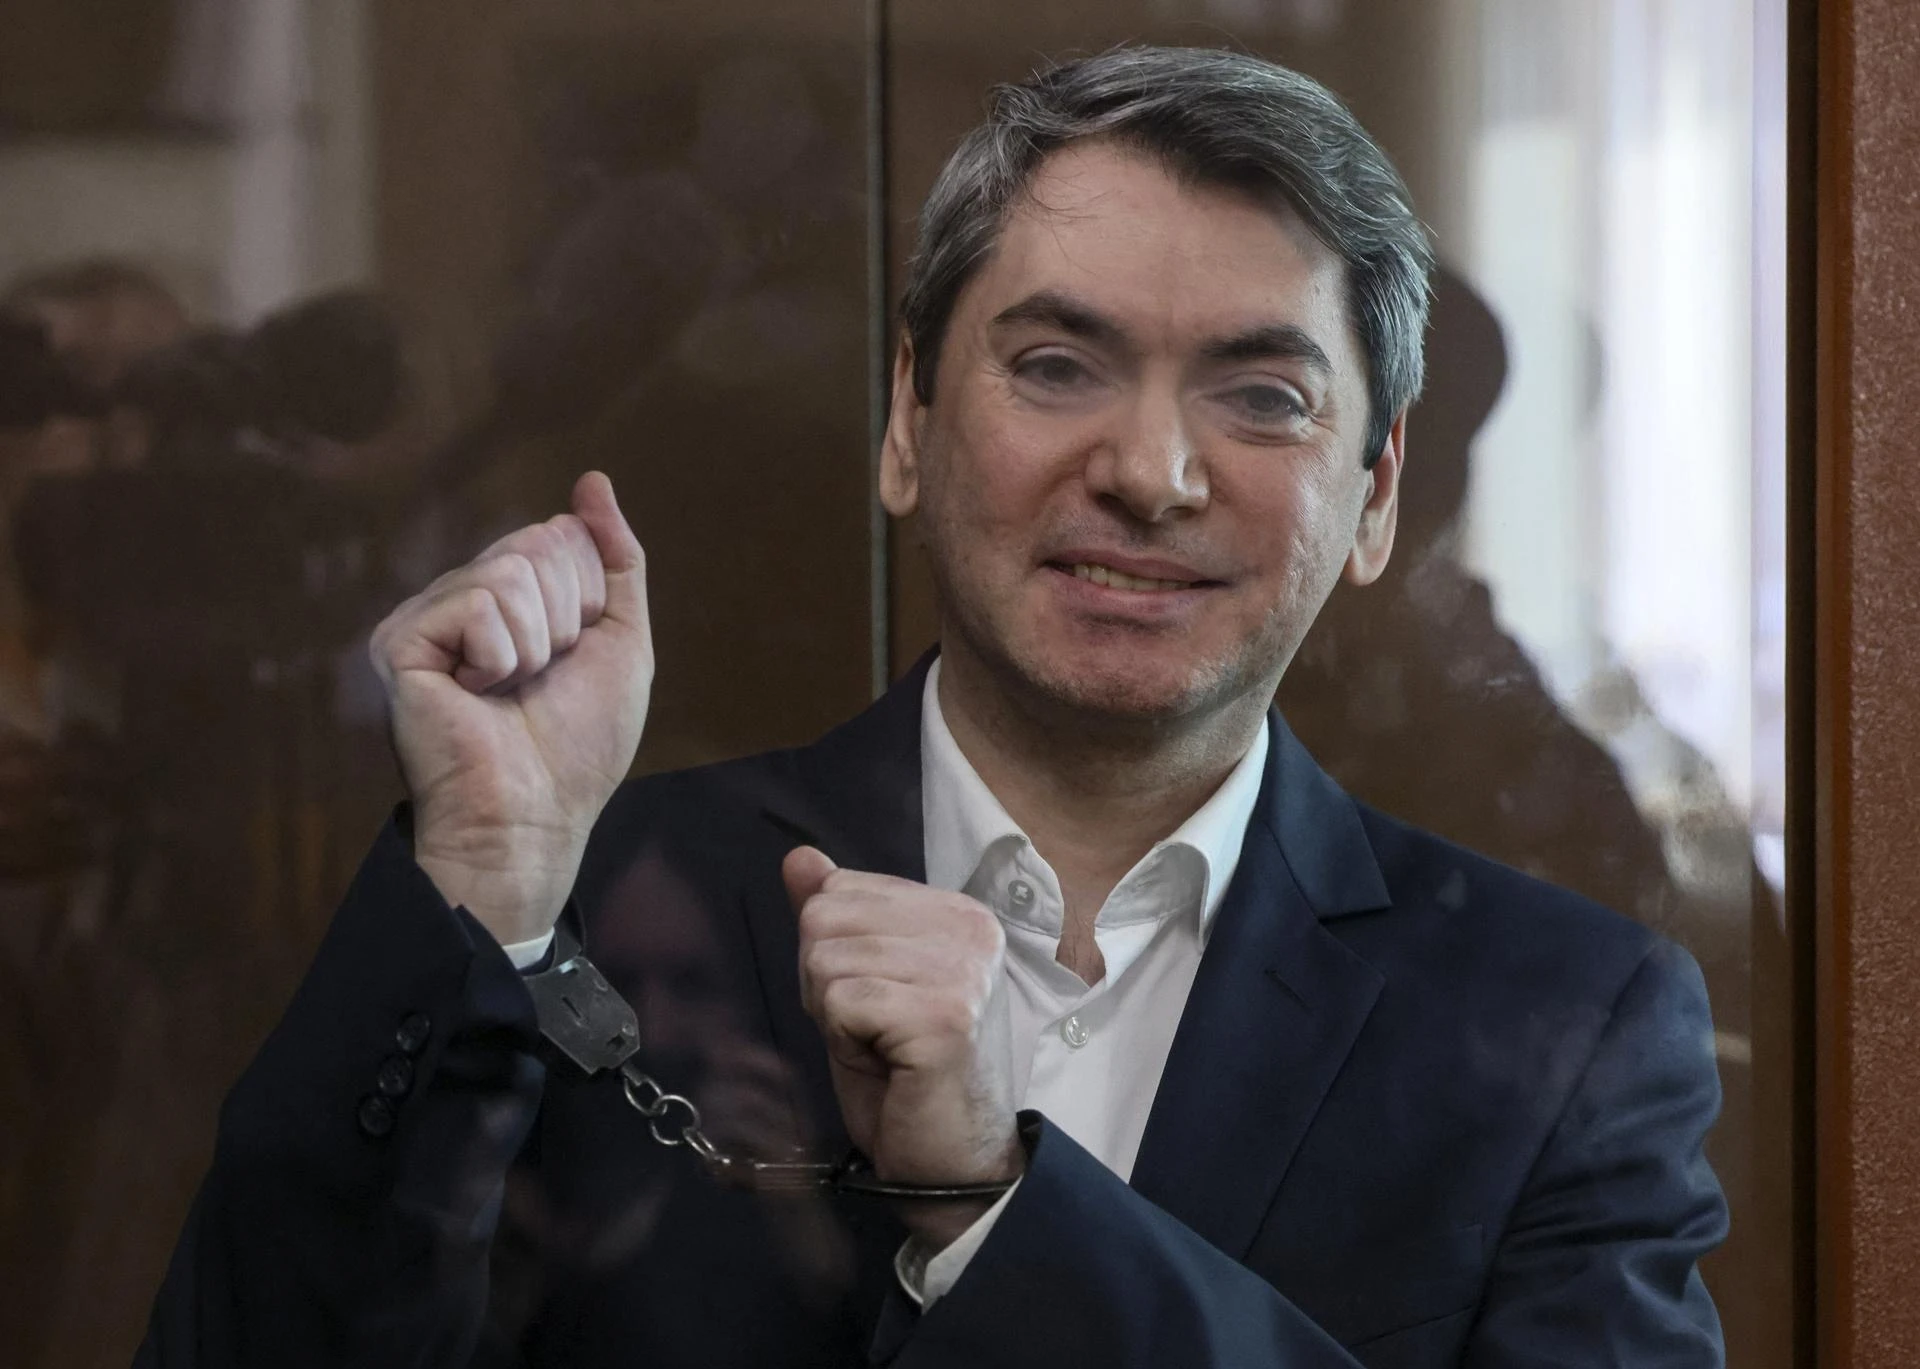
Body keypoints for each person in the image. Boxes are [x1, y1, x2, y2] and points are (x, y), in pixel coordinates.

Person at [137, 46, 1726, 1367]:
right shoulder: (599, 908)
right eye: (1057, 367)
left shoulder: (1564, 1026)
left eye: (1261, 397)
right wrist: (484, 890)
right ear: (907, 424)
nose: (1149, 473)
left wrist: (994, 1211)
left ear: (1375, 498)